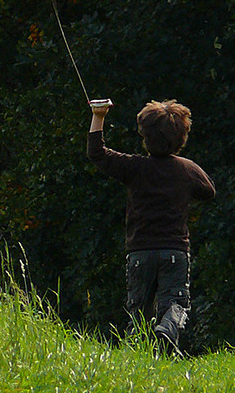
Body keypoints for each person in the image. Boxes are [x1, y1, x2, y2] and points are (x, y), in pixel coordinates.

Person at [87, 98, 215, 356]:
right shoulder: (187, 169)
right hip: (174, 252)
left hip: (139, 252)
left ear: (145, 137)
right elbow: (209, 191)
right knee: (176, 305)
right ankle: (167, 330)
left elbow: (97, 154)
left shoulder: (134, 167)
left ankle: (139, 363)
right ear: (181, 138)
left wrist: (99, 115)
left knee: (139, 314)